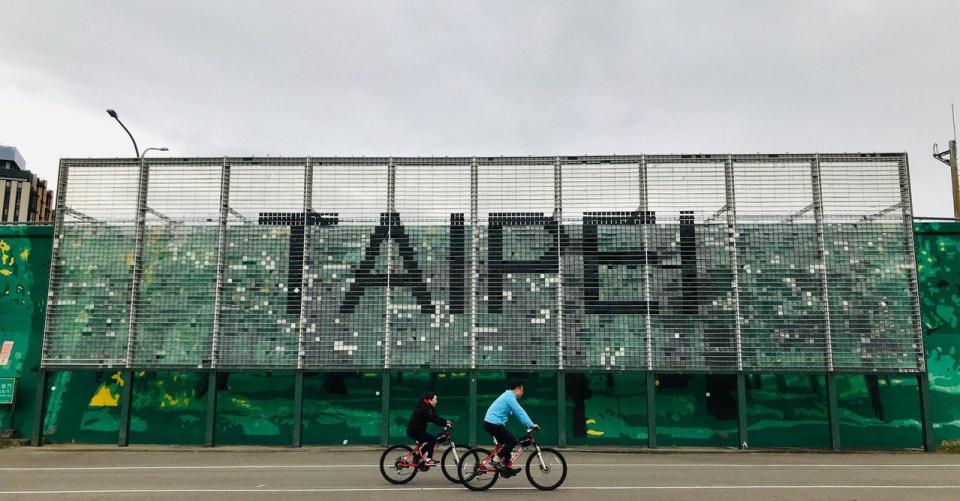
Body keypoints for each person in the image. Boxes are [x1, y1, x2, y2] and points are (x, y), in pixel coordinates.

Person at [483, 382, 539, 477]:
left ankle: (506, 468)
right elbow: (519, 411)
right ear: (517, 389)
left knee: (506, 443)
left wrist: (526, 424)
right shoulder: (509, 397)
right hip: (493, 424)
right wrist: (531, 425)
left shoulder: (508, 396)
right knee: (512, 441)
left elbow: (517, 414)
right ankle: (495, 460)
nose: (523, 392)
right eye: (522, 390)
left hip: (491, 423)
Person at [406, 391, 451, 466]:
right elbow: (432, 419)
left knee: (430, 442)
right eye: (435, 399)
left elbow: (435, 417)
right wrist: (444, 424)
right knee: (432, 440)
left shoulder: (428, 407)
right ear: (430, 400)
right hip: (414, 430)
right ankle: (429, 459)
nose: (437, 401)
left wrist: (446, 421)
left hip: (416, 430)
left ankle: (417, 458)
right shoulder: (425, 407)